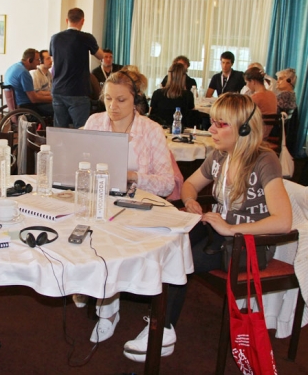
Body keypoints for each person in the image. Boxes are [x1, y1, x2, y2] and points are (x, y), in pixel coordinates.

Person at [123, 93, 292, 362]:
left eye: (221, 124)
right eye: (213, 122)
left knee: (180, 256)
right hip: (221, 233)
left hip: (248, 245)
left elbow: (283, 221)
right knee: (171, 240)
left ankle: (164, 329)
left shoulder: (264, 160)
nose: (211, 129)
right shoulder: (219, 155)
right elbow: (189, 185)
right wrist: (190, 201)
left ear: (244, 128)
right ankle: (153, 304)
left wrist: (229, 229)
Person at [80, 69, 175, 343]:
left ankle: (107, 309)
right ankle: (100, 299)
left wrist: (132, 175)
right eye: (108, 99)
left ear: (137, 100)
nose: (113, 107)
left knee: (108, 238)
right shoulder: (95, 122)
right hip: (99, 197)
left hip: (136, 203)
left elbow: (167, 183)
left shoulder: (151, 130)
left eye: (121, 100)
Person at [49, 7, 104, 128]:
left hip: (58, 89)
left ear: (66, 20)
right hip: (77, 90)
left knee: (59, 129)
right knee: (81, 129)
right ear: (82, 21)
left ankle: (59, 147)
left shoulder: (55, 38)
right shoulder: (86, 38)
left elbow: (53, 59)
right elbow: (101, 56)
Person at [4, 48, 53, 117]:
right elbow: (34, 99)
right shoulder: (24, 73)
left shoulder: (15, 67)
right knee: (58, 108)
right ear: (30, 60)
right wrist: (52, 99)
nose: (39, 63)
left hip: (18, 103)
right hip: (26, 106)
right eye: (37, 60)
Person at [150, 63, 195, 127]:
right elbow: (191, 117)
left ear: (169, 76)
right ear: (184, 77)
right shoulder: (188, 95)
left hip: (159, 129)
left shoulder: (157, 93)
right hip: (180, 130)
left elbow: (151, 115)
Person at [244, 67, 277, 140]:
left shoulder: (255, 97)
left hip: (256, 134)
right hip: (267, 132)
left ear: (253, 81)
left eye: (247, 82)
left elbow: (244, 116)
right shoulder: (272, 94)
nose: (246, 85)